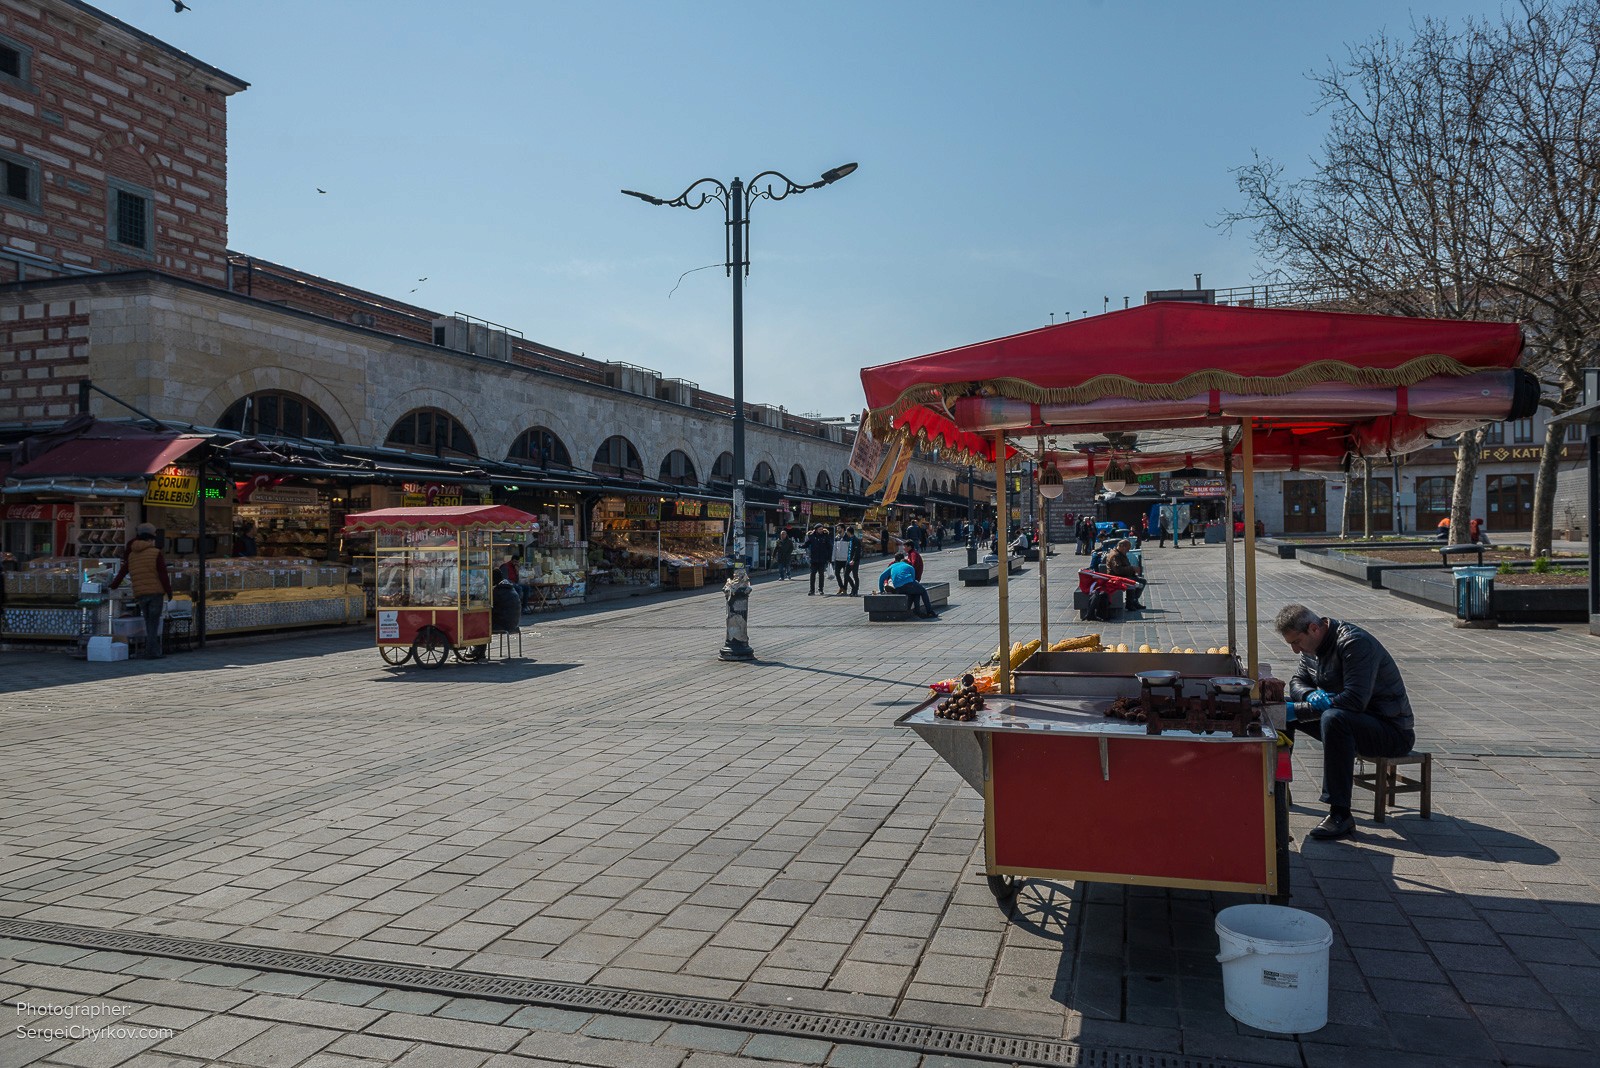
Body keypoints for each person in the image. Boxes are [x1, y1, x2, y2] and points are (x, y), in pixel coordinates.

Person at [1274, 604, 1415, 840]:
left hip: (1389, 729)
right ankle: (1278, 790)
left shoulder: (1354, 643)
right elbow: (1297, 681)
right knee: (1279, 710)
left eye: (1296, 642)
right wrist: (1309, 696)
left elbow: (1355, 700)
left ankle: (1340, 814)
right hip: (1346, 720)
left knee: (1333, 718)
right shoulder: (1312, 649)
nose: (1295, 651)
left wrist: (1303, 708)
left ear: (1313, 629)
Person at [108, 522, 172, 660]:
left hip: (140, 593)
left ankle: (149, 650)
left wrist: (113, 585)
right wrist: (169, 591)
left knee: (148, 621)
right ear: (150, 539)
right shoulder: (155, 553)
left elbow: (122, 572)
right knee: (153, 623)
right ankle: (152, 652)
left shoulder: (131, 555)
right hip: (155, 592)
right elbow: (163, 574)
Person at [878, 551, 937, 618]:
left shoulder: (892, 566)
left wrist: (881, 590)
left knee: (915, 591)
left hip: (898, 588)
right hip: (908, 584)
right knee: (922, 591)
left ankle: (917, 610)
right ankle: (929, 611)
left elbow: (881, 577)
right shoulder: (910, 567)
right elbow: (913, 580)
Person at [1105, 538, 1146, 610]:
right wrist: (1132, 568)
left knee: (1142, 581)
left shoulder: (1120, 553)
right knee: (1133, 582)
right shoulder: (1115, 555)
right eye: (1127, 549)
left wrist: (1133, 571)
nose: (1128, 551)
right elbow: (1118, 570)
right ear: (1122, 546)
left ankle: (1134, 600)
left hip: (1122, 575)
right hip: (1116, 577)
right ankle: (1130, 603)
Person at [490, 567, 522, 635]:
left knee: (481, 624)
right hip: (514, 624)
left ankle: (479, 645)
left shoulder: (498, 591)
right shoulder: (510, 587)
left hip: (503, 625)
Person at [804, 523, 833, 596]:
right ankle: (812, 590)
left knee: (821, 574)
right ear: (816, 529)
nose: (821, 530)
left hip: (822, 559)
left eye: (822, 529)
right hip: (814, 558)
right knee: (812, 574)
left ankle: (821, 589)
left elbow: (829, 547)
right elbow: (807, 544)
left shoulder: (825, 536)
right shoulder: (811, 536)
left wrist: (829, 558)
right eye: (819, 529)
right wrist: (801, 546)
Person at [831, 525, 853, 593]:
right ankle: (841, 586)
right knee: (837, 573)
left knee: (845, 574)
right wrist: (833, 558)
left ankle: (845, 588)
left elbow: (850, 549)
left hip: (845, 559)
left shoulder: (848, 538)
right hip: (838, 559)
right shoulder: (837, 537)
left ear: (843, 529)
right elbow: (834, 548)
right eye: (837, 528)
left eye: (839, 528)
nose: (837, 529)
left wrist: (850, 558)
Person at [843, 525, 863, 595]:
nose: (846, 533)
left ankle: (855, 590)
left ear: (849, 532)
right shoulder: (849, 539)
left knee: (855, 575)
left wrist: (853, 560)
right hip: (848, 560)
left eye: (846, 531)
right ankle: (853, 587)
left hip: (854, 561)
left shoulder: (856, 540)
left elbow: (857, 551)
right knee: (846, 575)